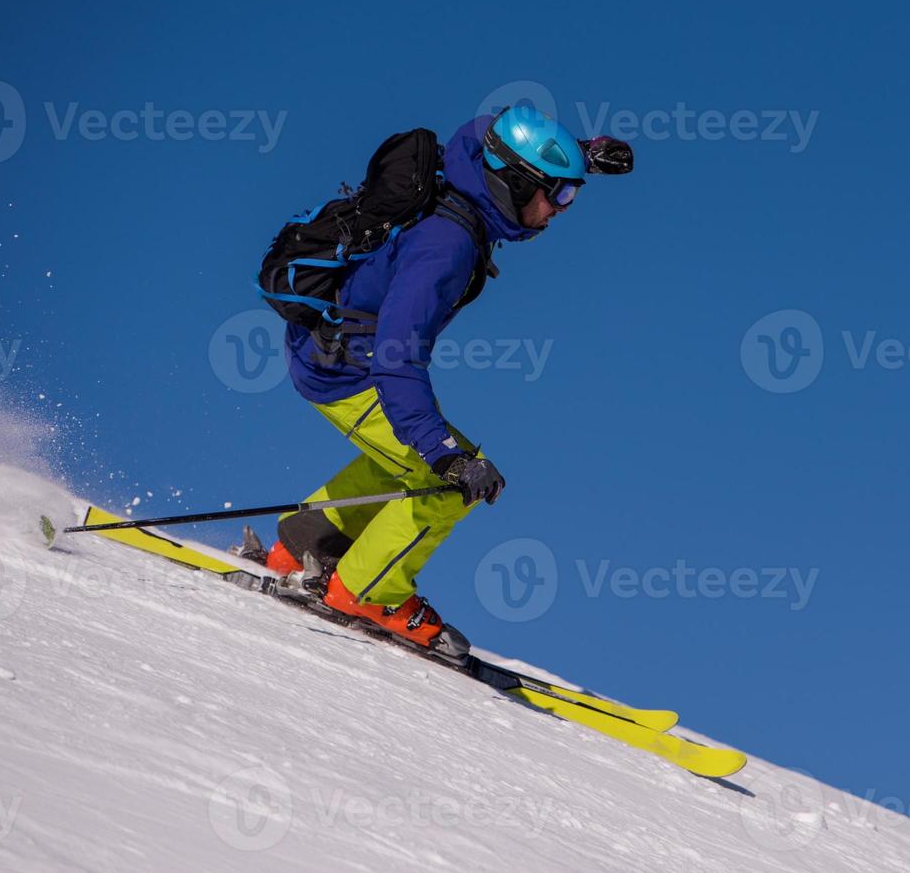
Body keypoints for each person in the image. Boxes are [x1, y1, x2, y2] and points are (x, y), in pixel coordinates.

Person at [254, 105, 631, 661]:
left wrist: (581, 151)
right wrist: (447, 455)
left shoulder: (466, 170)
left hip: (326, 346)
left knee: (403, 457)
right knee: (447, 482)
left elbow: (492, 129)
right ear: (515, 183)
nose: (558, 212)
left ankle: (300, 548)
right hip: (349, 370)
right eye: (558, 195)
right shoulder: (446, 248)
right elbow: (396, 360)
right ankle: (366, 592)